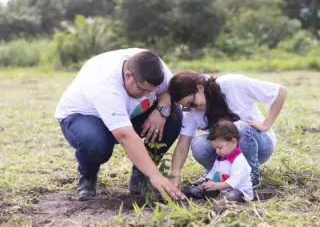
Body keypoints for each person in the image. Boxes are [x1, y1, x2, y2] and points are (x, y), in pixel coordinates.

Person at [55, 48, 184, 201]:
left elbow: (168, 91)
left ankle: (141, 176)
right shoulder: (105, 84)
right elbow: (125, 136)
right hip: (84, 116)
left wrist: (162, 109)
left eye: (152, 91)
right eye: (143, 90)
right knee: (96, 144)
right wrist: (156, 175)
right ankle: (88, 176)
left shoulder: (153, 66)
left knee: (173, 114)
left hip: (126, 114)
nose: (147, 95)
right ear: (128, 76)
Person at [168, 71, 287, 189]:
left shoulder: (232, 84)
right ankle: (218, 176)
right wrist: (175, 174)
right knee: (199, 145)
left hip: (259, 147)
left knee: (237, 127)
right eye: (187, 106)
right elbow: (183, 145)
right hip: (227, 155)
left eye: (191, 103)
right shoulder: (192, 112)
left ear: (199, 88)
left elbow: (280, 92)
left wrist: (265, 125)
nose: (192, 108)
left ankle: (252, 176)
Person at [183, 120, 253, 202]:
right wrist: (210, 182)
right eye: (215, 148)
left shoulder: (239, 161)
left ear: (233, 142)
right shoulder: (221, 157)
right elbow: (215, 172)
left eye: (220, 147)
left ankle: (221, 199)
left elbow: (234, 181)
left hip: (240, 191)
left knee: (231, 195)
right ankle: (202, 193)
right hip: (222, 189)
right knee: (210, 190)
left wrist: (217, 185)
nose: (217, 151)